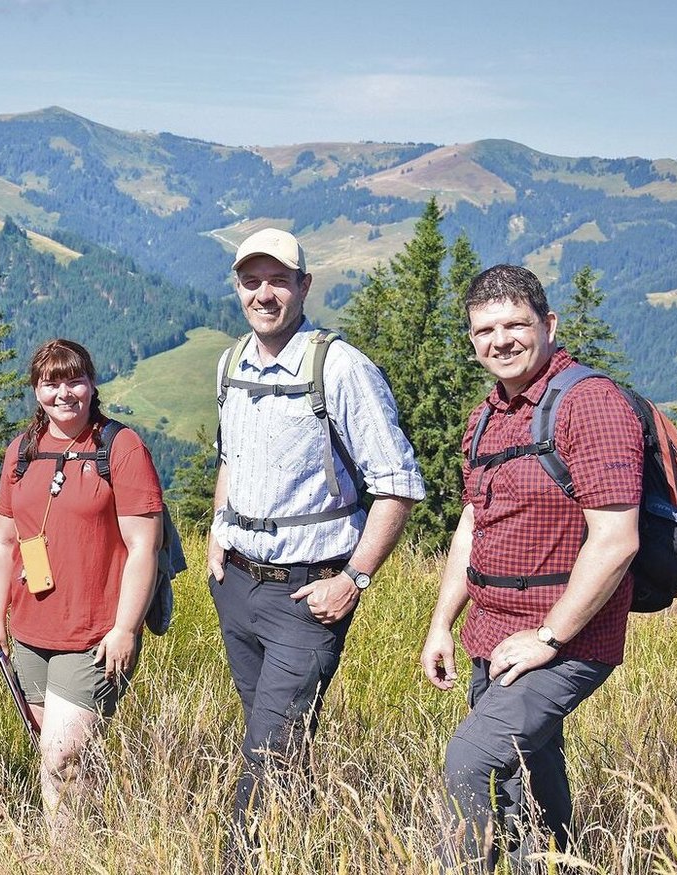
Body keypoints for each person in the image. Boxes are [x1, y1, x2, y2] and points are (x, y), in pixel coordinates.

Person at [207, 229, 425, 853]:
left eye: (279, 280)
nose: (265, 294)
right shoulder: (231, 363)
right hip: (237, 586)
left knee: (268, 751)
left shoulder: (342, 368)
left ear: (305, 285)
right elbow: (231, 458)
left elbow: (398, 485)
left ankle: (236, 862)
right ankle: (305, 845)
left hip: (309, 594)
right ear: (239, 288)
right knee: (275, 739)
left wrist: (353, 580)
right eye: (252, 281)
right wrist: (217, 533)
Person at [420, 265, 641, 871]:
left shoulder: (590, 404)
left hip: (568, 638)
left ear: (549, 324)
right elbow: (474, 522)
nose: (501, 340)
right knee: (527, 781)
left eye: (516, 324)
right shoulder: (488, 414)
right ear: (471, 339)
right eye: (485, 329)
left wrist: (549, 637)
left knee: (470, 757)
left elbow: (617, 539)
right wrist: (443, 622)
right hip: (495, 636)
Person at [0, 338, 163, 820]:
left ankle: (66, 857)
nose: (64, 393)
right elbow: (4, 541)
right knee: (58, 757)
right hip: (29, 632)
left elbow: (146, 546)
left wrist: (126, 628)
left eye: (74, 380)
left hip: (94, 634)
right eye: (51, 382)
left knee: (62, 756)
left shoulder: (120, 448)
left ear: (92, 383)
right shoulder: (21, 451)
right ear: (37, 390)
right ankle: (82, 845)